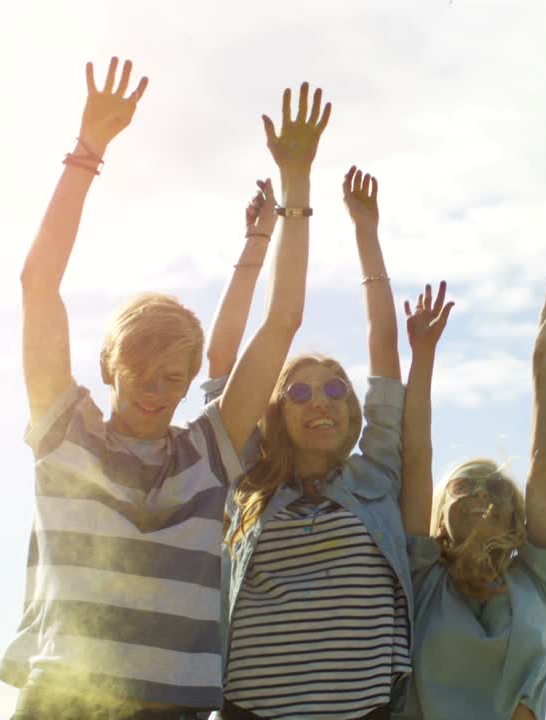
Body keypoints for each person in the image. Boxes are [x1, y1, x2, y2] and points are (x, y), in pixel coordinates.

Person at [1, 59, 322, 719]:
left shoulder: (208, 451)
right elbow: (39, 285)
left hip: (170, 707)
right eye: (142, 372)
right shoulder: (66, 433)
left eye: (173, 379)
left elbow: (282, 321)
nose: (156, 391)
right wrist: (88, 148)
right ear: (110, 364)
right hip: (63, 697)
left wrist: (295, 186)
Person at [205, 166, 419, 720]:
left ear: (353, 410)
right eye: (298, 391)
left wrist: (366, 234)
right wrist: (257, 243)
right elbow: (224, 361)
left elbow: (384, 351)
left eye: (334, 389)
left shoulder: (375, 481)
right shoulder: (249, 475)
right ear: (275, 410)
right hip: (250, 708)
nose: (319, 400)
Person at [399, 280, 546, 720]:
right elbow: (416, 458)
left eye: (494, 488)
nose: (479, 493)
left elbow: (544, 464)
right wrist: (423, 357)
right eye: (463, 486)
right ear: (439, 514)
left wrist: (542, 364)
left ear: (516, 520)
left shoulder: (538, 577)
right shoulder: (421, 574)